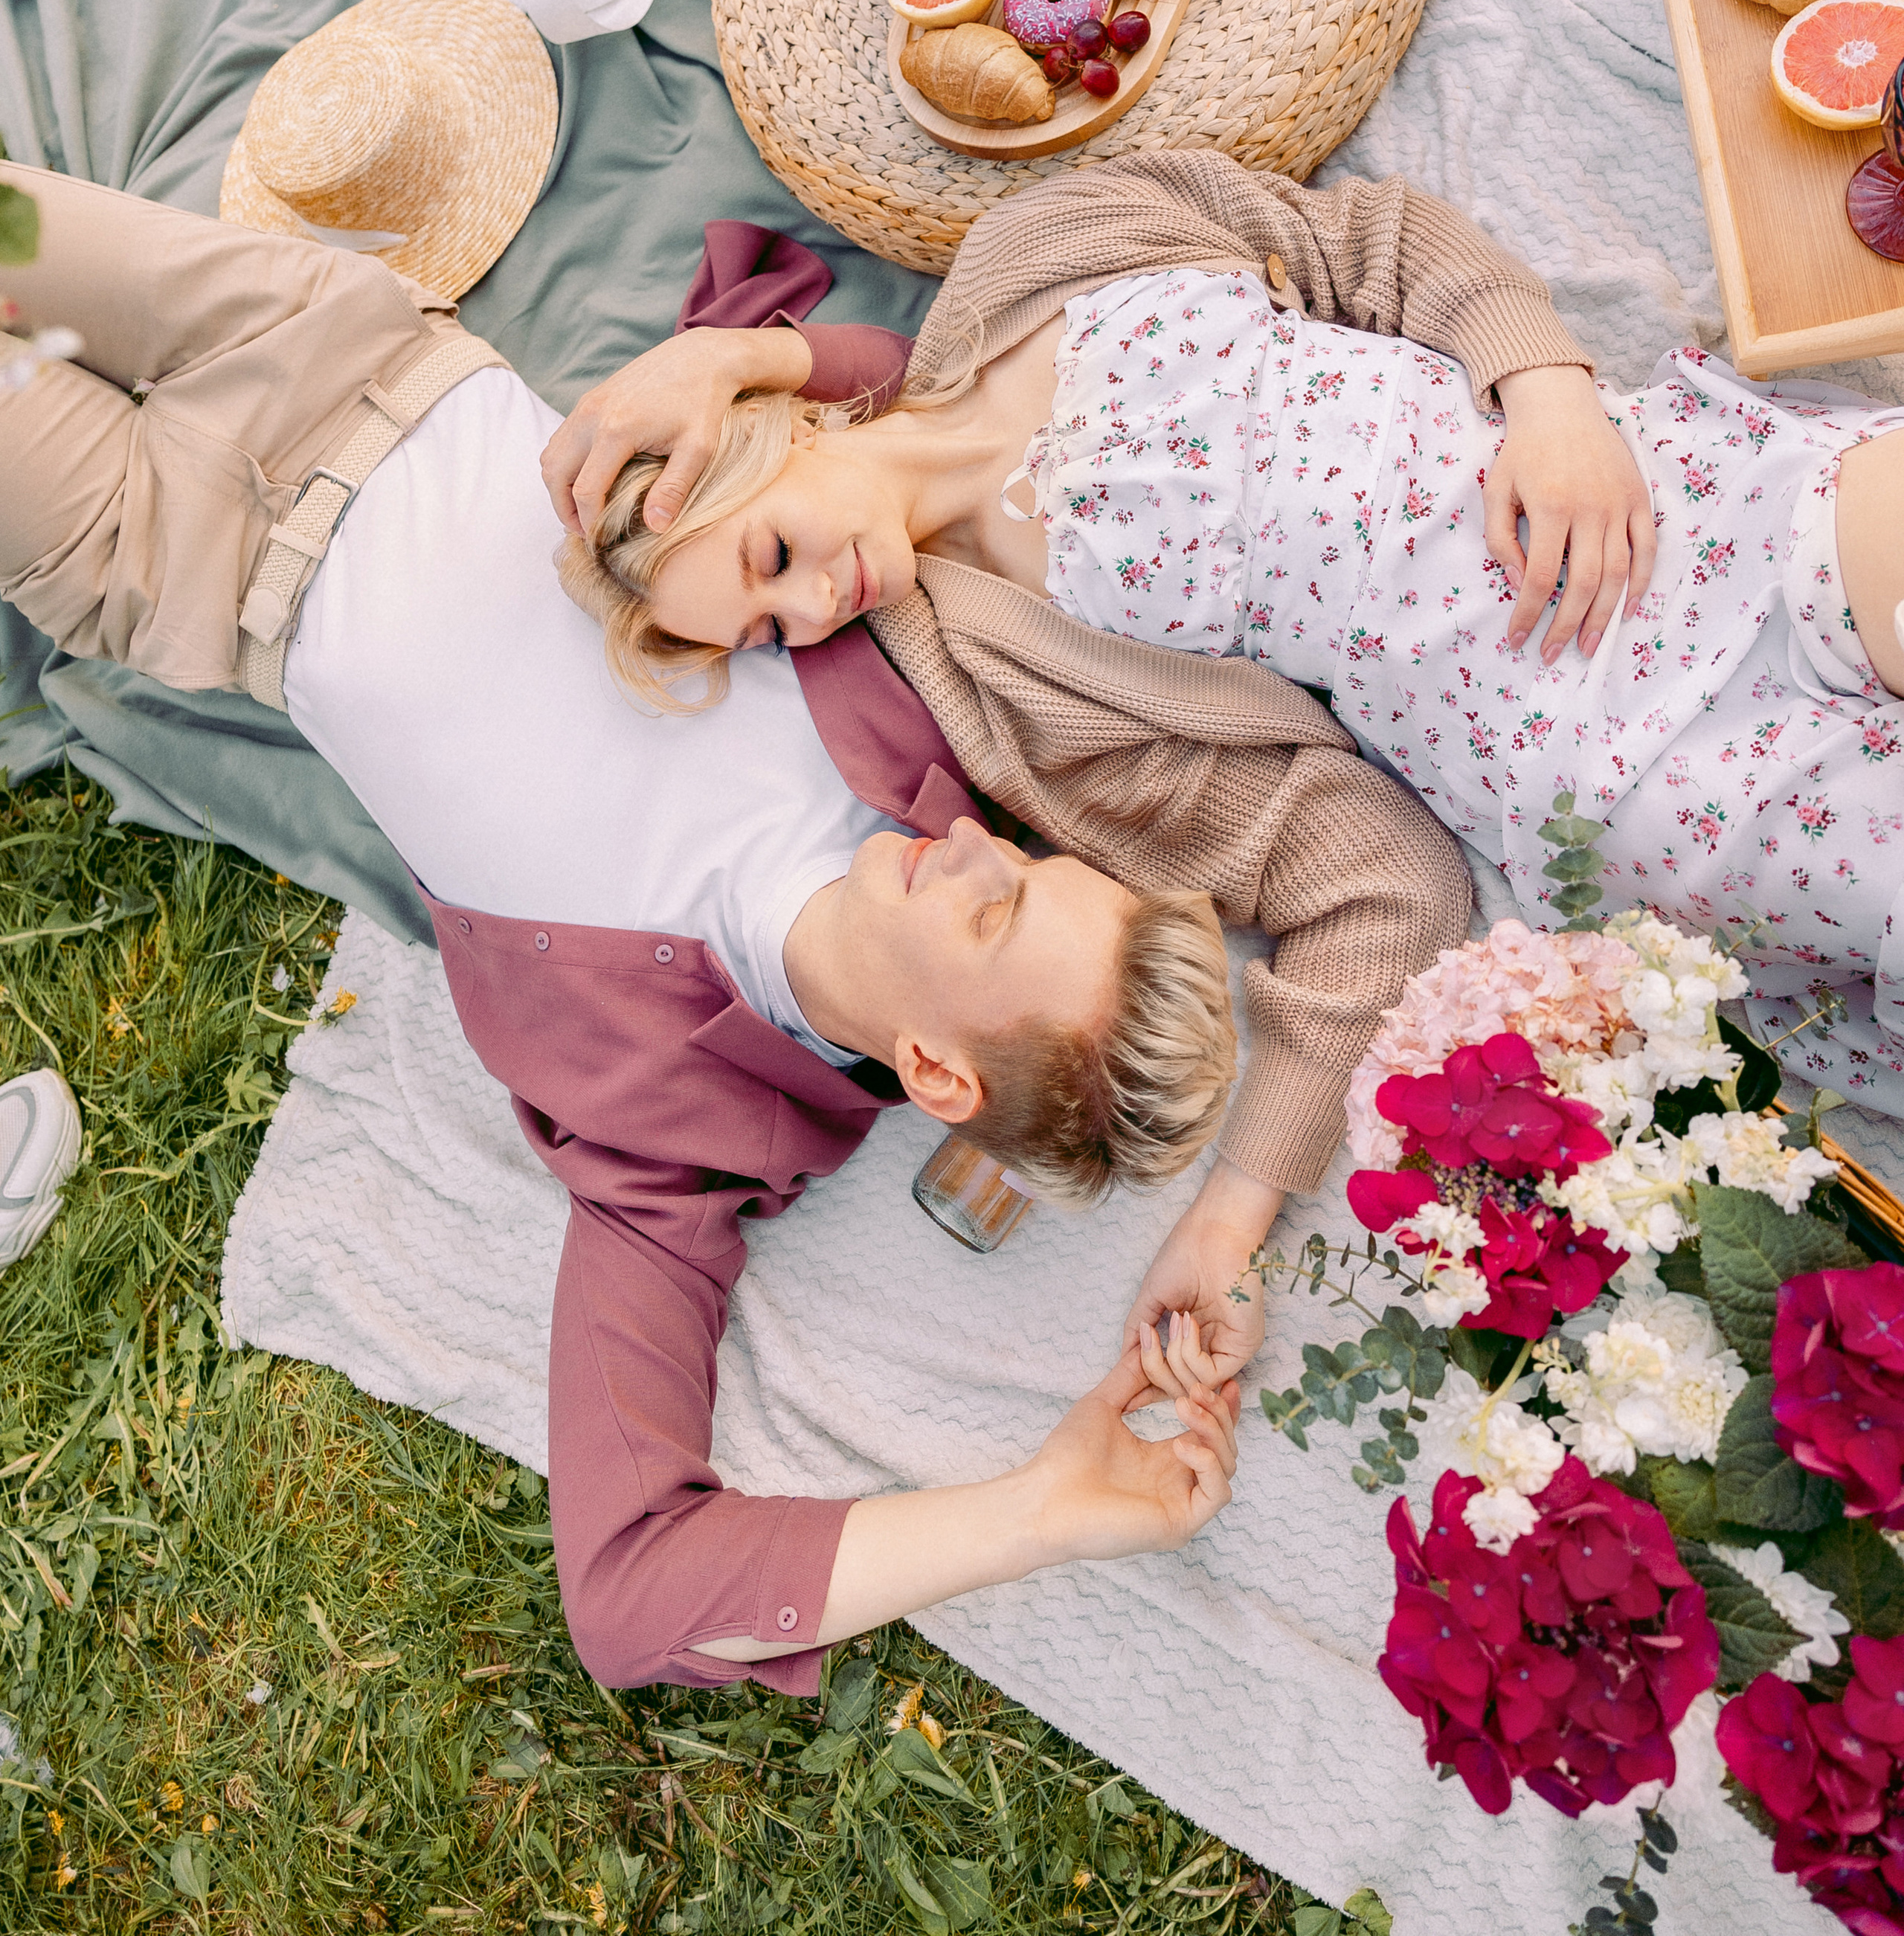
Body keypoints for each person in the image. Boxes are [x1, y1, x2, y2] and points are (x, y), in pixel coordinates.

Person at [0, 160, 1245, 1692]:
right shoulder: (933, 707)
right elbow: (917, 403)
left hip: (174, 557)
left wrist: (1045, 1511)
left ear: (934, 1073)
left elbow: (633, 1593)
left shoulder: (675, 1138)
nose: (976, 856)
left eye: (998, 921)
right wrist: (743, 360)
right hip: (339, 347)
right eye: (1031, 868)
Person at [549, 146, 1904, 1308]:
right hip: (1590, 745)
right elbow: (1370, 877)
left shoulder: (1045, 243)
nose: (815, 598)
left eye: (774, 549)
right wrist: (1231, 1218)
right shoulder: (1010, 699)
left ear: (778, 432)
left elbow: (1372, 242)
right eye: (774, 624)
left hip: (1654, 491)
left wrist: (1543, 386)